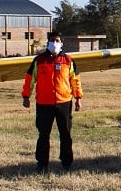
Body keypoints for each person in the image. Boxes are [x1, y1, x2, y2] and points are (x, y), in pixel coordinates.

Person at [22, 32, 82, 173]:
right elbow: (30, 79)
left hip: (64, 102)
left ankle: (67, 163)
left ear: (61, 43)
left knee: (65, 134)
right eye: (52, 40)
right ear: (48, 43)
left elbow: (75, 80)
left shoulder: (68, 60)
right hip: (44, 104)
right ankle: (42, 164)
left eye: (57, 40)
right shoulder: (39, 60)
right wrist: (26, 96)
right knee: (43, 135)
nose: (54, 43)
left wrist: (78, 98)